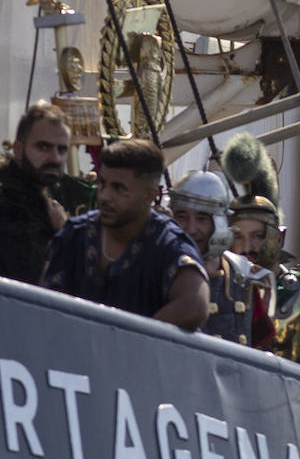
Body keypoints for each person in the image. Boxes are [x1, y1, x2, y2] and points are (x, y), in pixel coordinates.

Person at [43, 138, 209, 329]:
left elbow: (195, 305)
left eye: (119, 188)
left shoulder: (168, 246)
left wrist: (134, 338)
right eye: (102, 184)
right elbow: (44, 299)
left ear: (150, 196)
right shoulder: (75, 234)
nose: (104, 196)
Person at [0, 101, 70, 283]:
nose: (55, 158)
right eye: (43, 147)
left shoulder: (37, 199)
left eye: (62, 149)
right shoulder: (0, 208)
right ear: (18, 150)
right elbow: (34, 283)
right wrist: (64, 235)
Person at [169, 170, 269, 347]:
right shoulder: (154, 269)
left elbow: (262, 348)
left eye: (202, 218)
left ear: (223, 222)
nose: (191, 229)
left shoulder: (243, 277)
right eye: (182, 216)